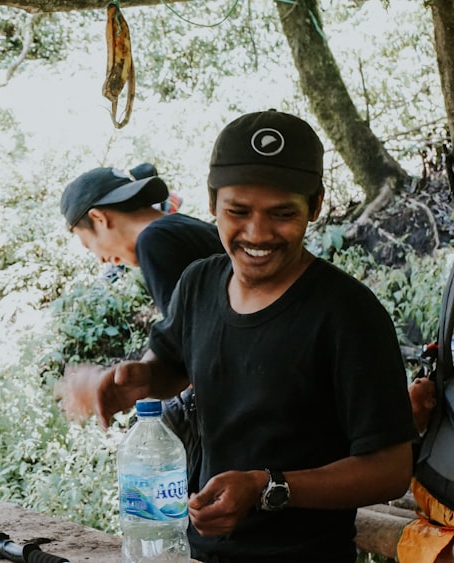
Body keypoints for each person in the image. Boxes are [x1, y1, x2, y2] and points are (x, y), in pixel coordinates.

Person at [58, 109, 417, 561]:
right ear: (212, 204)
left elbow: (389, 471)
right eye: (237, 211)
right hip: (199, 552)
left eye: (282, 213)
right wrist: (137, 380)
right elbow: (171, 366)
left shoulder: (349, 314)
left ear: (316, 205)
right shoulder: (199, 283)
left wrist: (265, 487)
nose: (257, 233)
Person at [56, 161, 224, 492]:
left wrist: (101, 383)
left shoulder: (155, 241)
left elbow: (188, 350)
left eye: (88, 245)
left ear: (100, 219)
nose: (101, 259)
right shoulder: (181, 227)